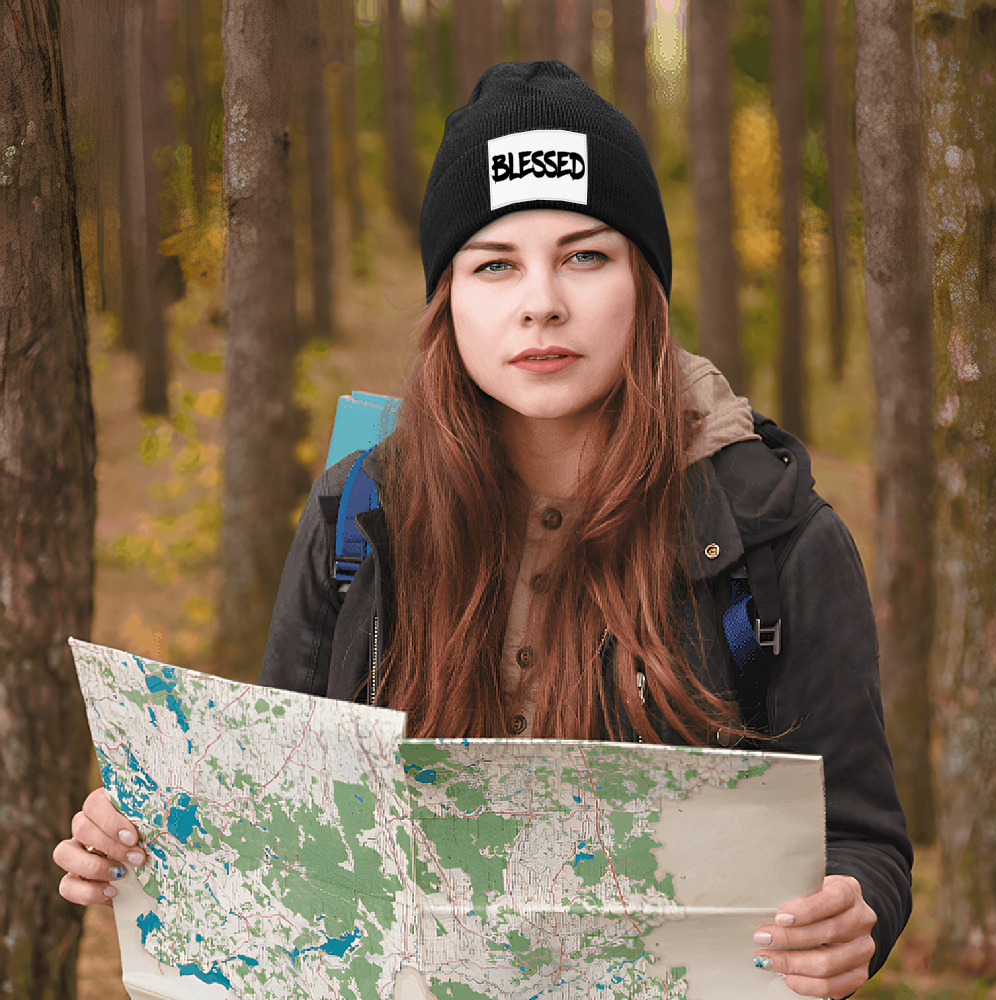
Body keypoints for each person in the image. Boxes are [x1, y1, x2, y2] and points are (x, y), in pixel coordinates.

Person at [54, 61, 912, 999]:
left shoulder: (774, 535)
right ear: (448, 300)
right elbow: (282, 822)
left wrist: (852, 912)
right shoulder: (356, 514)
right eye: (495, 264)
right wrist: (143, 845)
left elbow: (864, 841)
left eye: (586, 255)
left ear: (645, 286)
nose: (541, 300)